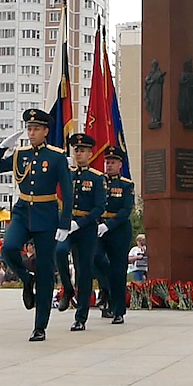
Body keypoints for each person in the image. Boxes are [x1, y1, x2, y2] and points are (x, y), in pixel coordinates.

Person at [0, 108, 74, 342]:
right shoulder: (20, 154)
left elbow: (67, 191)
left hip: (46, 215)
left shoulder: (56, 156)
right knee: (8, 249)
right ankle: (27, 279)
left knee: (46, 271)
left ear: (46, 131)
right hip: (23, 211)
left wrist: (65, 222)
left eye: (36, 129)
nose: (31, 133)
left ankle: (40, 326)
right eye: (29, 128)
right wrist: (4, 146)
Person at [55, 132, 106, 331]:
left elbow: (99, 207)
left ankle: (81, 317)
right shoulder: (67, 174)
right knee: (59, 252)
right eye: (76, 150)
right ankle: (67, 290)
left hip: (86, 229)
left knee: (84, 271)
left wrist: (81, 223)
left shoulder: (97, 178)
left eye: (83, 151)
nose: (79, 154)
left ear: (90, 153)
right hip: (68, 224)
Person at [96, 145, 135, 325]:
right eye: (107, 162)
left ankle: (118, 310)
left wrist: (109, 225)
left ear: (120, 164)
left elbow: (125, 210)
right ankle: (105, 289)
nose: (109, 165)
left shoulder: (126, 185)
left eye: (112, 162)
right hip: (98, 229)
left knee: (119, 271)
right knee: (96, 259)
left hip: (118, 230)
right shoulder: (98, 182)